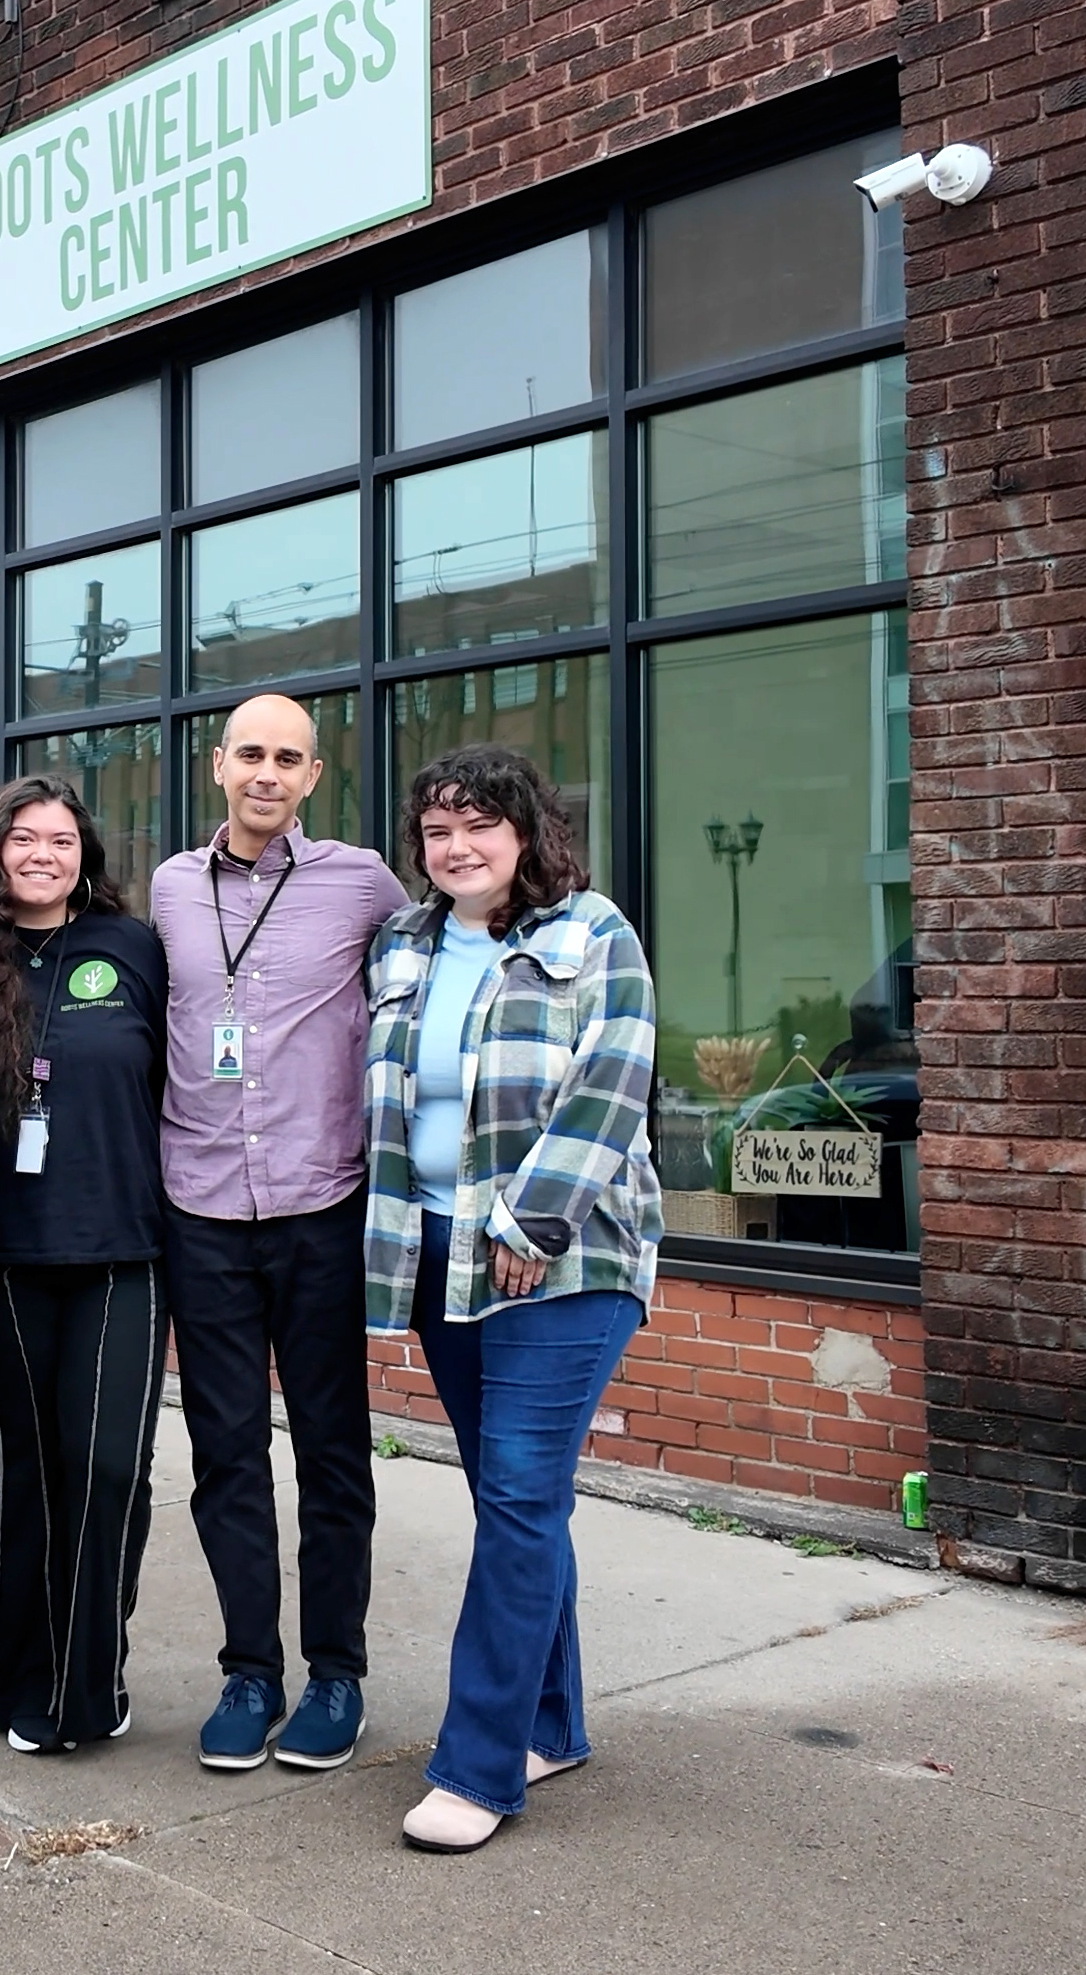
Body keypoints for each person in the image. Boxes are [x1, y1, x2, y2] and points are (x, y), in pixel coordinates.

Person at [362, 743, 663, 1854]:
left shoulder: (593, 934)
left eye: (480, 825)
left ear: (527, 831)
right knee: (511, 1504)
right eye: (438, 830)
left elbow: (616, 1082)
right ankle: (552, 1721)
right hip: (436, 1250)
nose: (458, 847)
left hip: (563, 1258)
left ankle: (480, 1767)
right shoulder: (402, 941)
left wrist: (530, 1224)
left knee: (524, 1495)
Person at [146, 694, 406, 1772]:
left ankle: (335, 1675)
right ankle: (250, 1673)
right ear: (219, 766)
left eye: (287, 757)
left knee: (335, 1455)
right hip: (200, 1209)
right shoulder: (167, 887)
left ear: (312, 774)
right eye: (249, 752)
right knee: (225, 1456)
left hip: (320, 1207)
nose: (266, 771)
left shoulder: (365, 882)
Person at [0, 776, 169, 1755]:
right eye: (22, 839)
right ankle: (14, 1678)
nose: (41, 854)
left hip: (124, 1249)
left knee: (109, 1467)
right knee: (27, 1468)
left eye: (61, 839)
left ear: (87, 854)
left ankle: (89, 1681)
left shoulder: (138, 949)